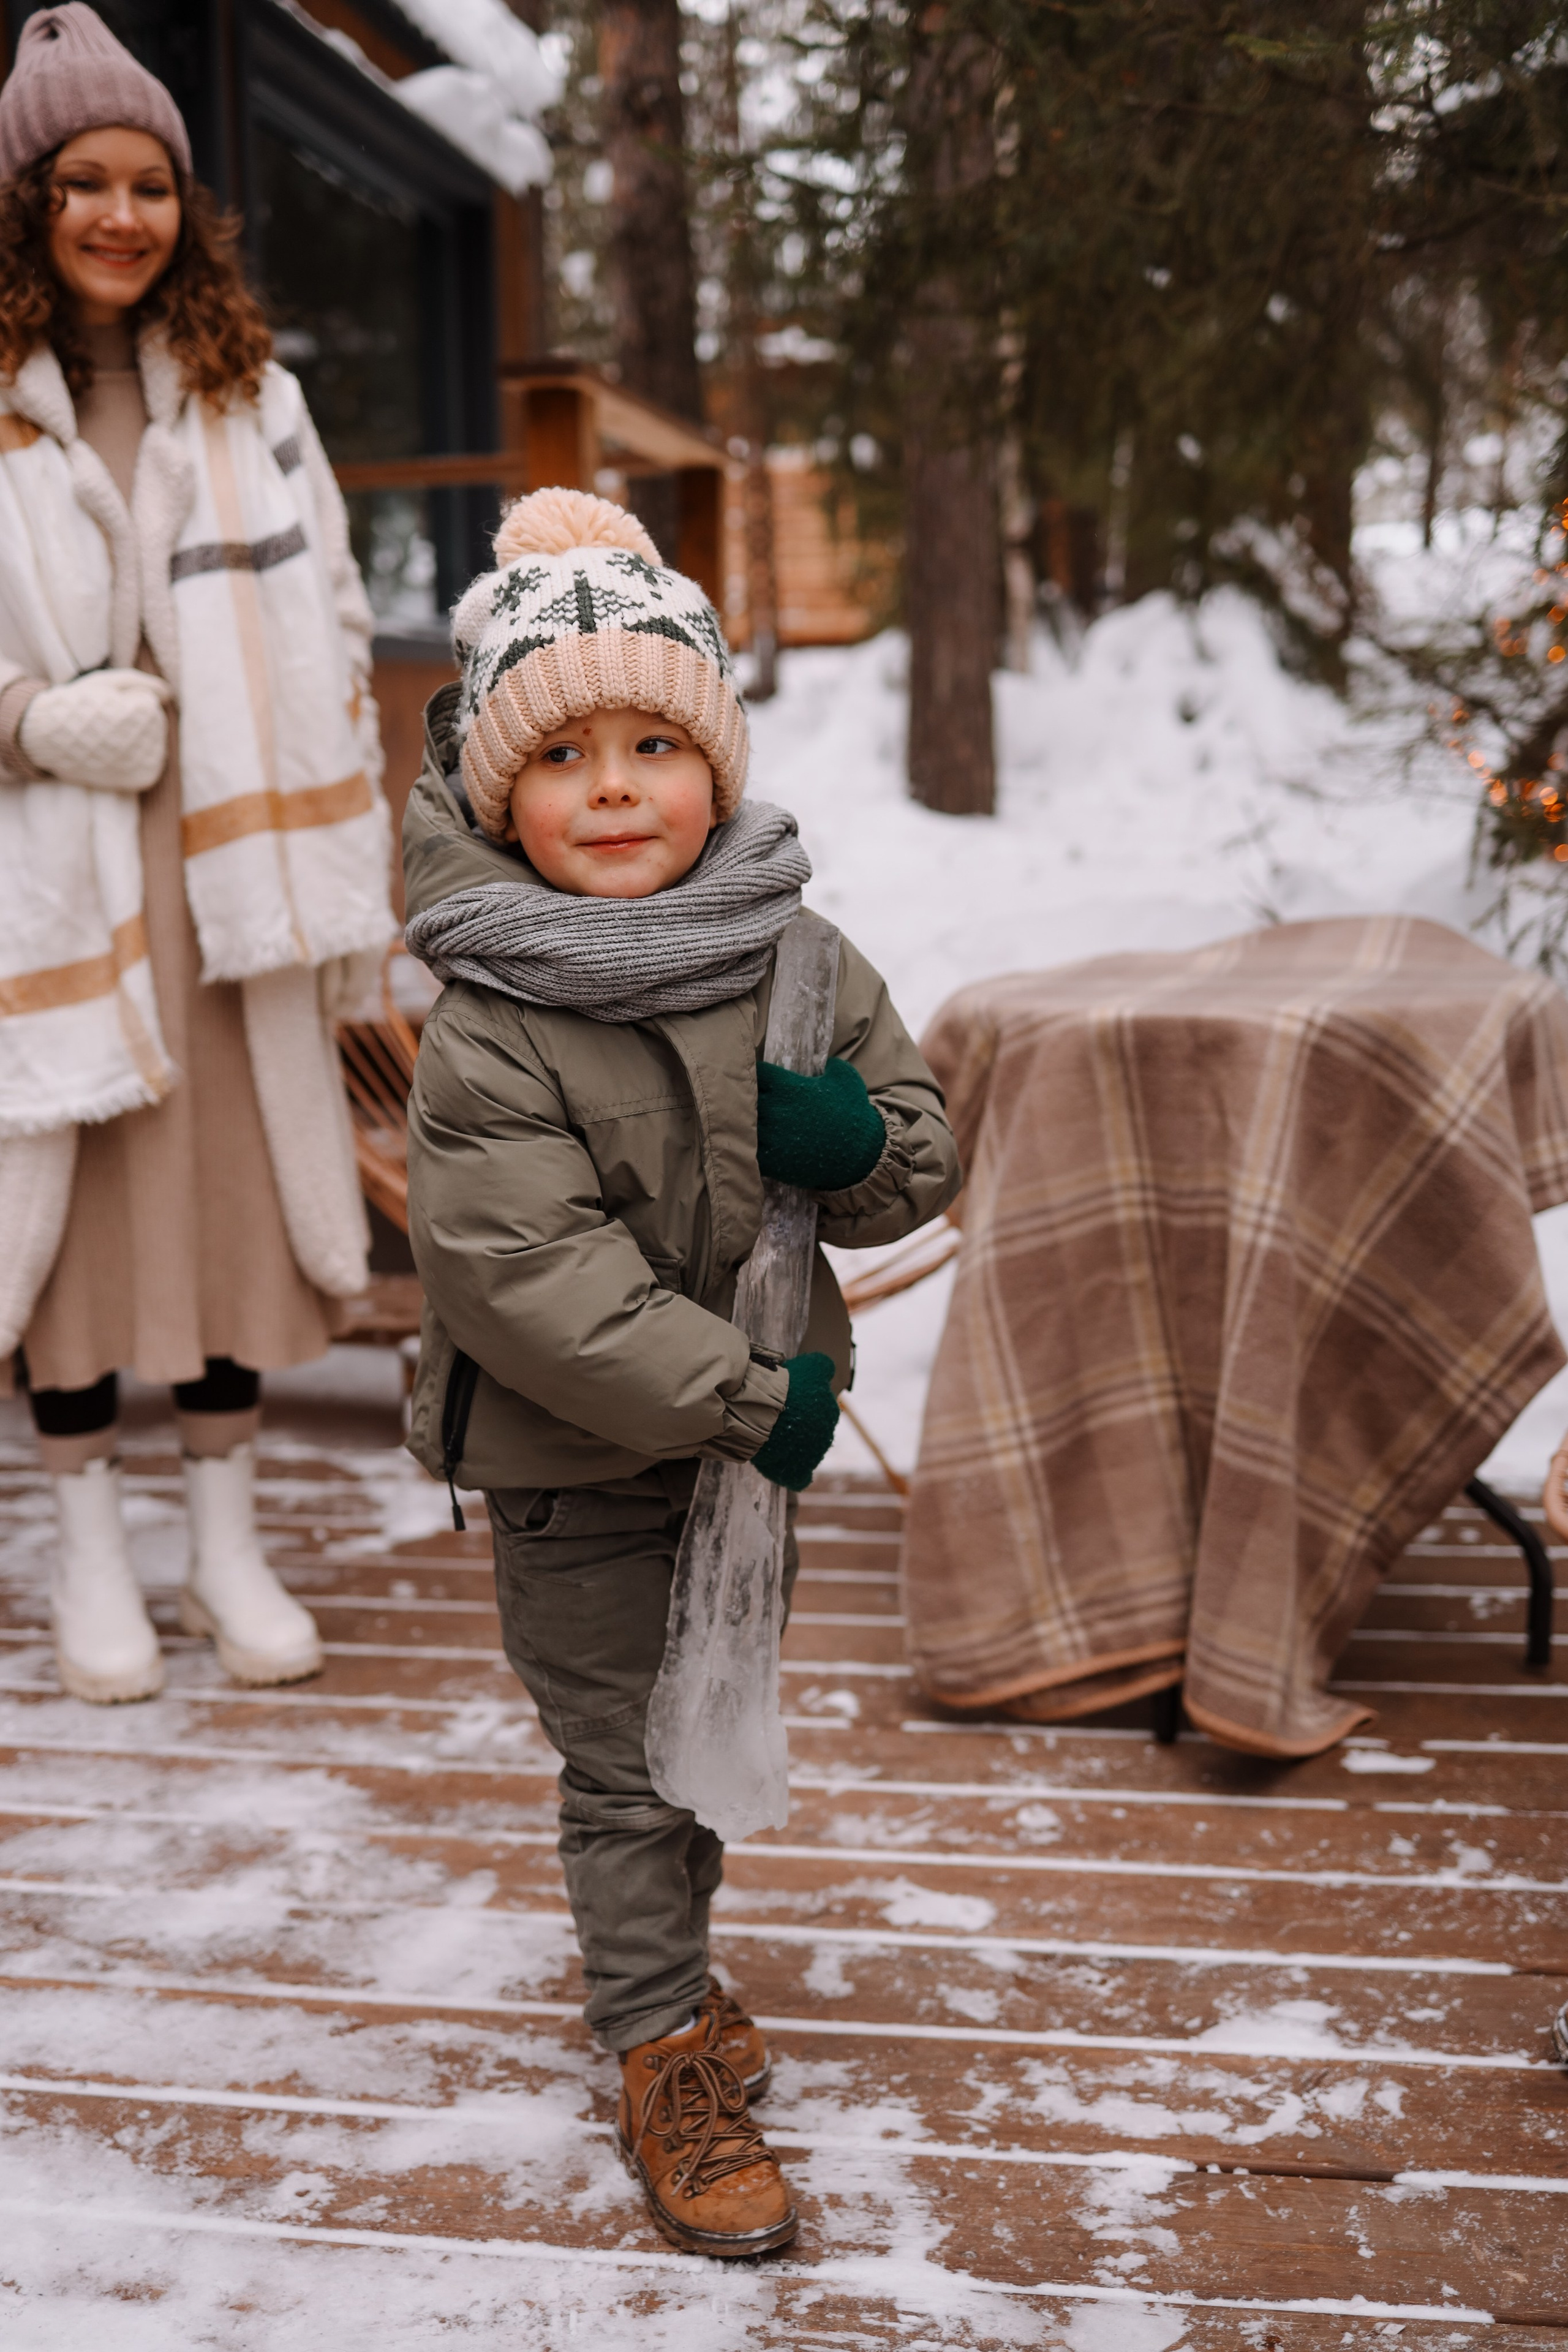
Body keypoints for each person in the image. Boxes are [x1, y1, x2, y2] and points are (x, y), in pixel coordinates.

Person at [401, 486, 961, 2258]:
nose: (616, 789)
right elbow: (529, 1278)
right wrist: (753, 1397)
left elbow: (921, 1152)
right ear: (501, 793)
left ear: (718, 767)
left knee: (702, 1732)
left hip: (746, 1458)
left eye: (657, 744)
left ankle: (676, 1975)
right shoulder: (492, 1018)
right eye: (565, 758)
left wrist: (855, 1143)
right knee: (627, 1767)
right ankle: (657, 2047)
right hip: (573, 1466)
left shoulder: (798, 957)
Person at [0, 7, 393, 1705]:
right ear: (28, 202)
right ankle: (90, 1549)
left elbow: (342, 618)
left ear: (187, 207)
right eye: (81, 182)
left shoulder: (257, 398)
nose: (119, 214)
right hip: (44, 875)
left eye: (149, 184)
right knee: (76, 1218)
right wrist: (28, 723)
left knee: (231, 1204)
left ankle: (227, 1544)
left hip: (236, 878)